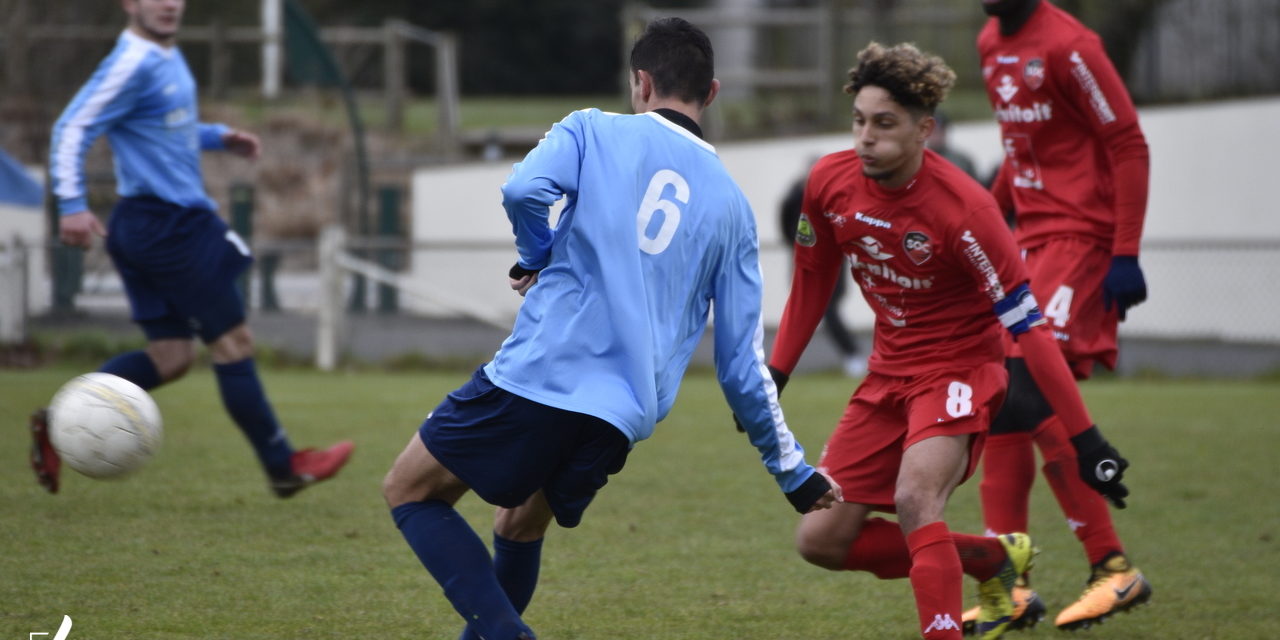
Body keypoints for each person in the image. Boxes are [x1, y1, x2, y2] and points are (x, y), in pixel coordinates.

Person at [380, 18, 841, 640]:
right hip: (620, 415)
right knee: (518, 523)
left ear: (641, 82)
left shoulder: (591, 129)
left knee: (410, 491)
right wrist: (792, 471)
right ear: (713, 92)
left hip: (540, 375)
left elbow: (522, 190)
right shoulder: (734, 209)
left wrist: (536, 255)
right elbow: (741, 365)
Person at [767, 42, 1131, 640]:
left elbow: (1029, 331)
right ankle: (989, 560)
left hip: (961, 371)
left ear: (924, 130)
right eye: (859, 120)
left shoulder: (966, 210)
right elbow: (811, 281)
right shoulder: (830, 182)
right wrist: (774, 374)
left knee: (915, 498)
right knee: (822, 539)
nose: (866, 138)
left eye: (885, 124)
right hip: (888, 376)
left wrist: (1087, 439)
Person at [32, 0, 353, 497]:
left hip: (148, 225)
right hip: (169, 227)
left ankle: (56, 422)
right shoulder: (131, 62)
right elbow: (72, 127)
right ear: (130, 3)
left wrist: (216, 137)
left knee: (171, 357)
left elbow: (164, 129)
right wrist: (71, 203)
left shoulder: (164, 55)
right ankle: (283, 465)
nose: (167, 4)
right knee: (233, 343)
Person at [967, 0, 1153, 631]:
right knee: (1002, 397)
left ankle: (1112, 567)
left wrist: (1124, 251)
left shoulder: (1073, 46)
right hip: (1031, 241)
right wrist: (983, 219)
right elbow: (1020, 157)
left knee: (1026, 384)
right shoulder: (991, 41)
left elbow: (1127, 143)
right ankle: (1008, 585)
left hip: (1082, 240)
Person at [779, 164, 867, 377]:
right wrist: (794, 245)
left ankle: (853, 355)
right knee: (803, 310)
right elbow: (785, 220)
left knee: (828, 311)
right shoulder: (795, 196)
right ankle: (783, 365)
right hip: (806, 261)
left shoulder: (833, 196)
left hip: (833, 264)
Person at [925, 110, 979, 181]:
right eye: (933, 132)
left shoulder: (962, 161)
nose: (936, 136)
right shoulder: (918, 161)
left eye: (939, 131)